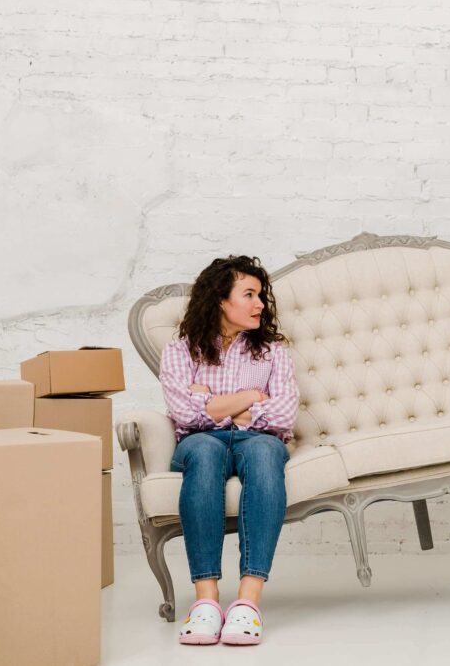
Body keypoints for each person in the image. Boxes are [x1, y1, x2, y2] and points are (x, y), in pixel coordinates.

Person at [160, 255, 299, 645]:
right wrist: (250, 398)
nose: (260, 304)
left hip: (259, 440)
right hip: (200, 442)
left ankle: (247, 605)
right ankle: (206, 604)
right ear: (221, 299)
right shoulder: (180, 351)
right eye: (249, 294)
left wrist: (215, 403)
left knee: (266, 452)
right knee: (202, 451)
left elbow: (284, 415)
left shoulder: (272, 352)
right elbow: (183, 413)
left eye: (261, 295)